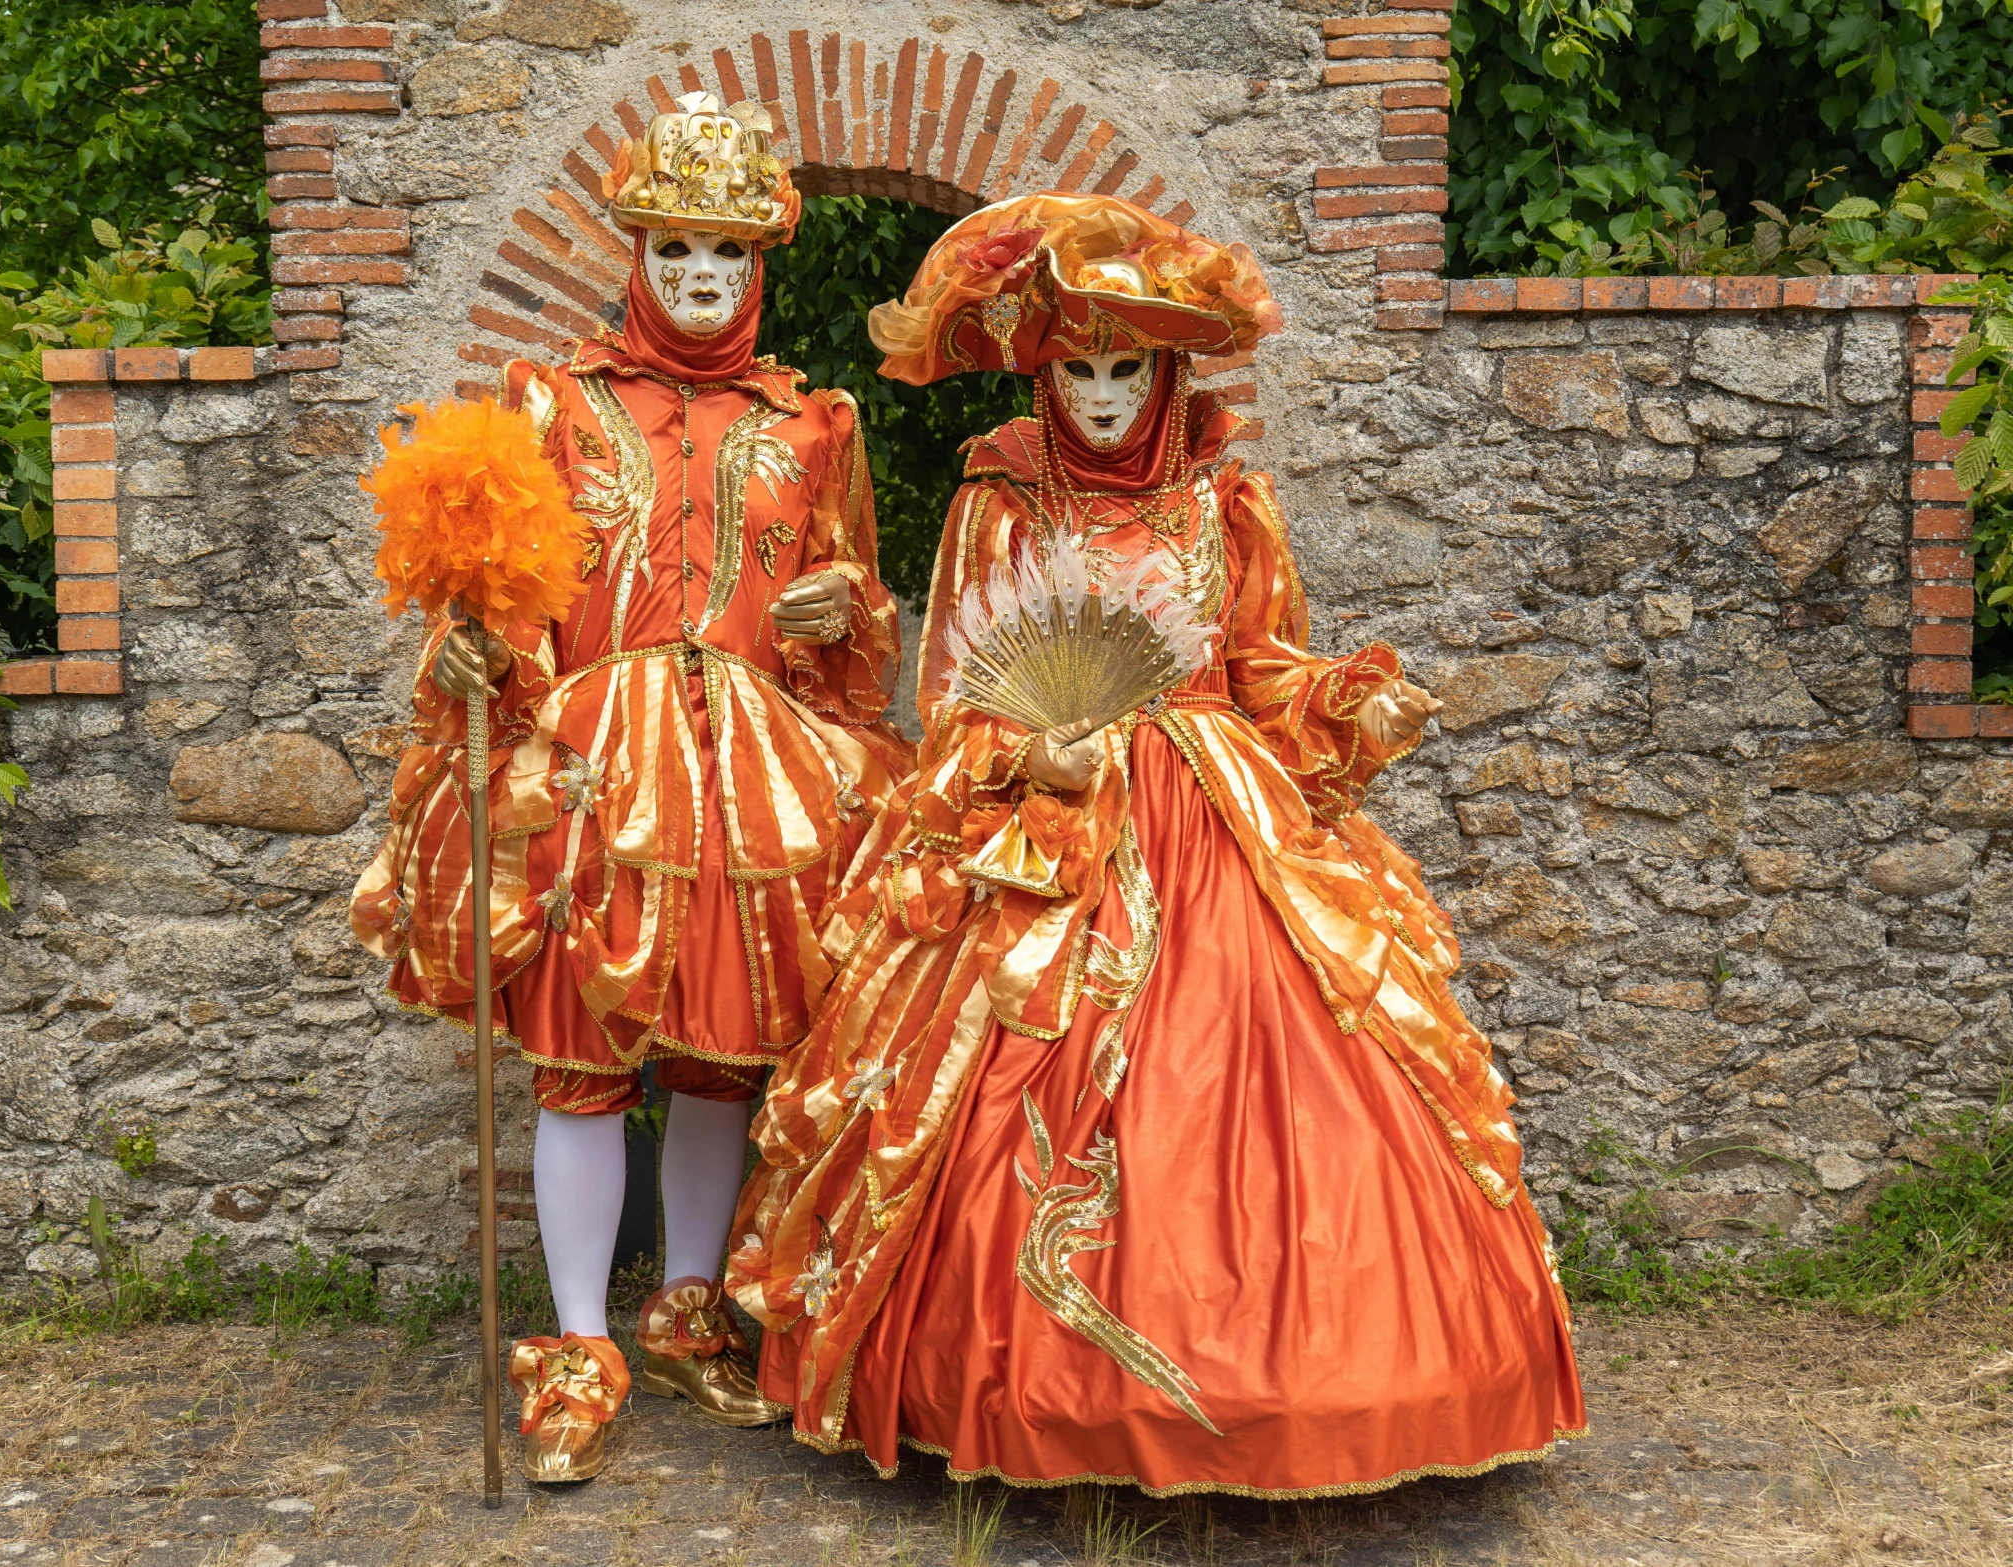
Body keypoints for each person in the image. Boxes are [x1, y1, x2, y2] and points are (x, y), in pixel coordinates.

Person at [725, 192, 1587, 1498]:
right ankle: (1035, 1393)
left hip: (1218, 822)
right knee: (1017, 1080)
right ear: (1043, 367)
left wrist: (1349, 702)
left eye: (1130, 367)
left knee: (1300, 1075)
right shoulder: (1001, 497)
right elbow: (954, 696)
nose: (1109, 394)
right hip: (1053, 837)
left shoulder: (1227, 497)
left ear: (1171, 365)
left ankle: (1320, 1379)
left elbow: (1261, 668)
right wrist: (1027, 754)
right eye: (1081, 367)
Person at [351, 93, 906, 1483]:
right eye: (675, 253)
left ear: (755, 266)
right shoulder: (551, 404)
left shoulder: (814, 422)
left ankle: (688, 1305)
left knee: (722, 1054)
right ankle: (575, 1343)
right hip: (597, 762)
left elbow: (852, 623)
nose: (701, 280)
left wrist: (840, 618)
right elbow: (507, 596)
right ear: (639, 258)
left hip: (761, 775)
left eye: (725, 256)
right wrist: (485, 662)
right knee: (582, 1061)